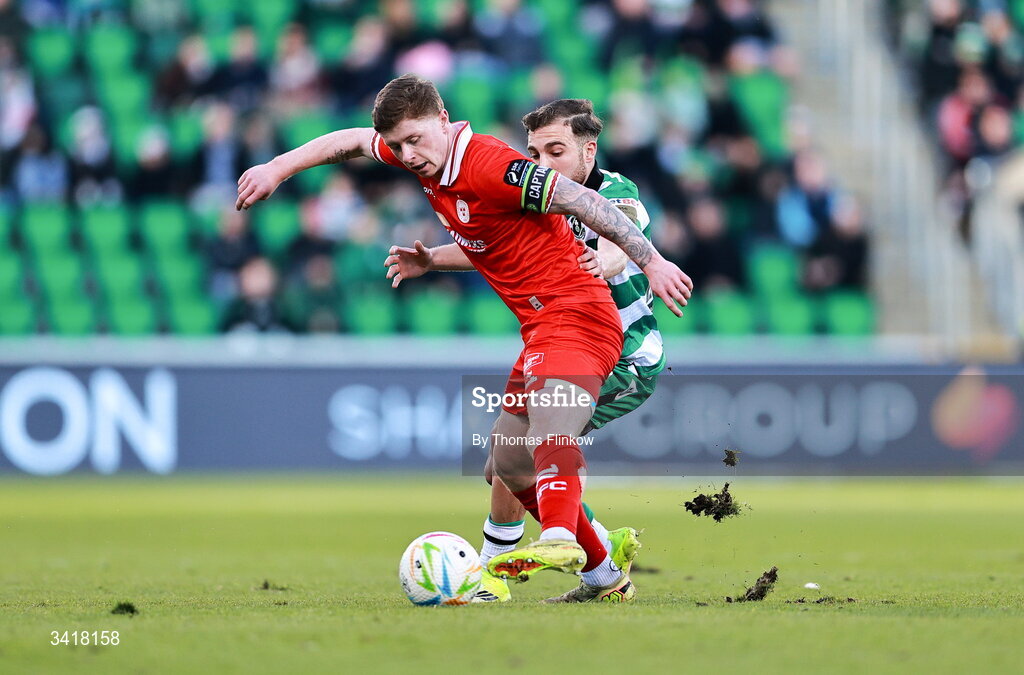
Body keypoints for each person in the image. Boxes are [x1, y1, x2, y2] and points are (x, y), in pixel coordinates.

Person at [236, 74, 692, 603]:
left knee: (551, 417)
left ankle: (559, 537)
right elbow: (352, 141)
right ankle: (603, 576)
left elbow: (586, 203)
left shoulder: (492, 165)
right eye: (399, 145)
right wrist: (276, 168)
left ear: (445, 122)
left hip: (578, 312)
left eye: (416, 140)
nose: (408, 155)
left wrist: (651, 260)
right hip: (541, 322)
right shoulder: (421, 156)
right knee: (507, 456)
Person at [386, 98, 666, 602]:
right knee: (504, 463)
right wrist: (434, 262)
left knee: (538, 436)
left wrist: (605, 264)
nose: (541, 165)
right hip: (564, 337)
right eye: (534, 152)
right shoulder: (537, 196)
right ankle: (602, 560)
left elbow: (614, 242)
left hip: (625, 355)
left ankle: (509, 559)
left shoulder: (616, 191)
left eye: (555, 151)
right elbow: (493, 247)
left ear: (588, 150)